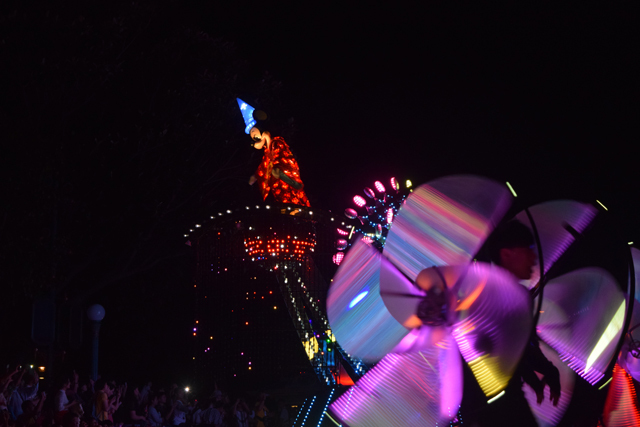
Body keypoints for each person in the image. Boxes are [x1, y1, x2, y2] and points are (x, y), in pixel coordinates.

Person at [476, 220, 561, 427]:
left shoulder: (482, 293)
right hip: (501, 405)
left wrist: (535, 372)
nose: (533, 257)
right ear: (506, 254)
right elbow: (520, 349)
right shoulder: (510, 298)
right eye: (527, 249)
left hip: (489, 404)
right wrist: (547, 370)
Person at [247, 113, 311, 207]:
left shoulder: (277, 142)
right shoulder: (267, 152)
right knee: (282, 199)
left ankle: (292, 183)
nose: (256, 139)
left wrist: (278, 167)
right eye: (255, 138)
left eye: (257, 136)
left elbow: (284, 155)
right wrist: (256, 176)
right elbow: (263, 165)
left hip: (285, 173)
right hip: (276, 183)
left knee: (294, 198)